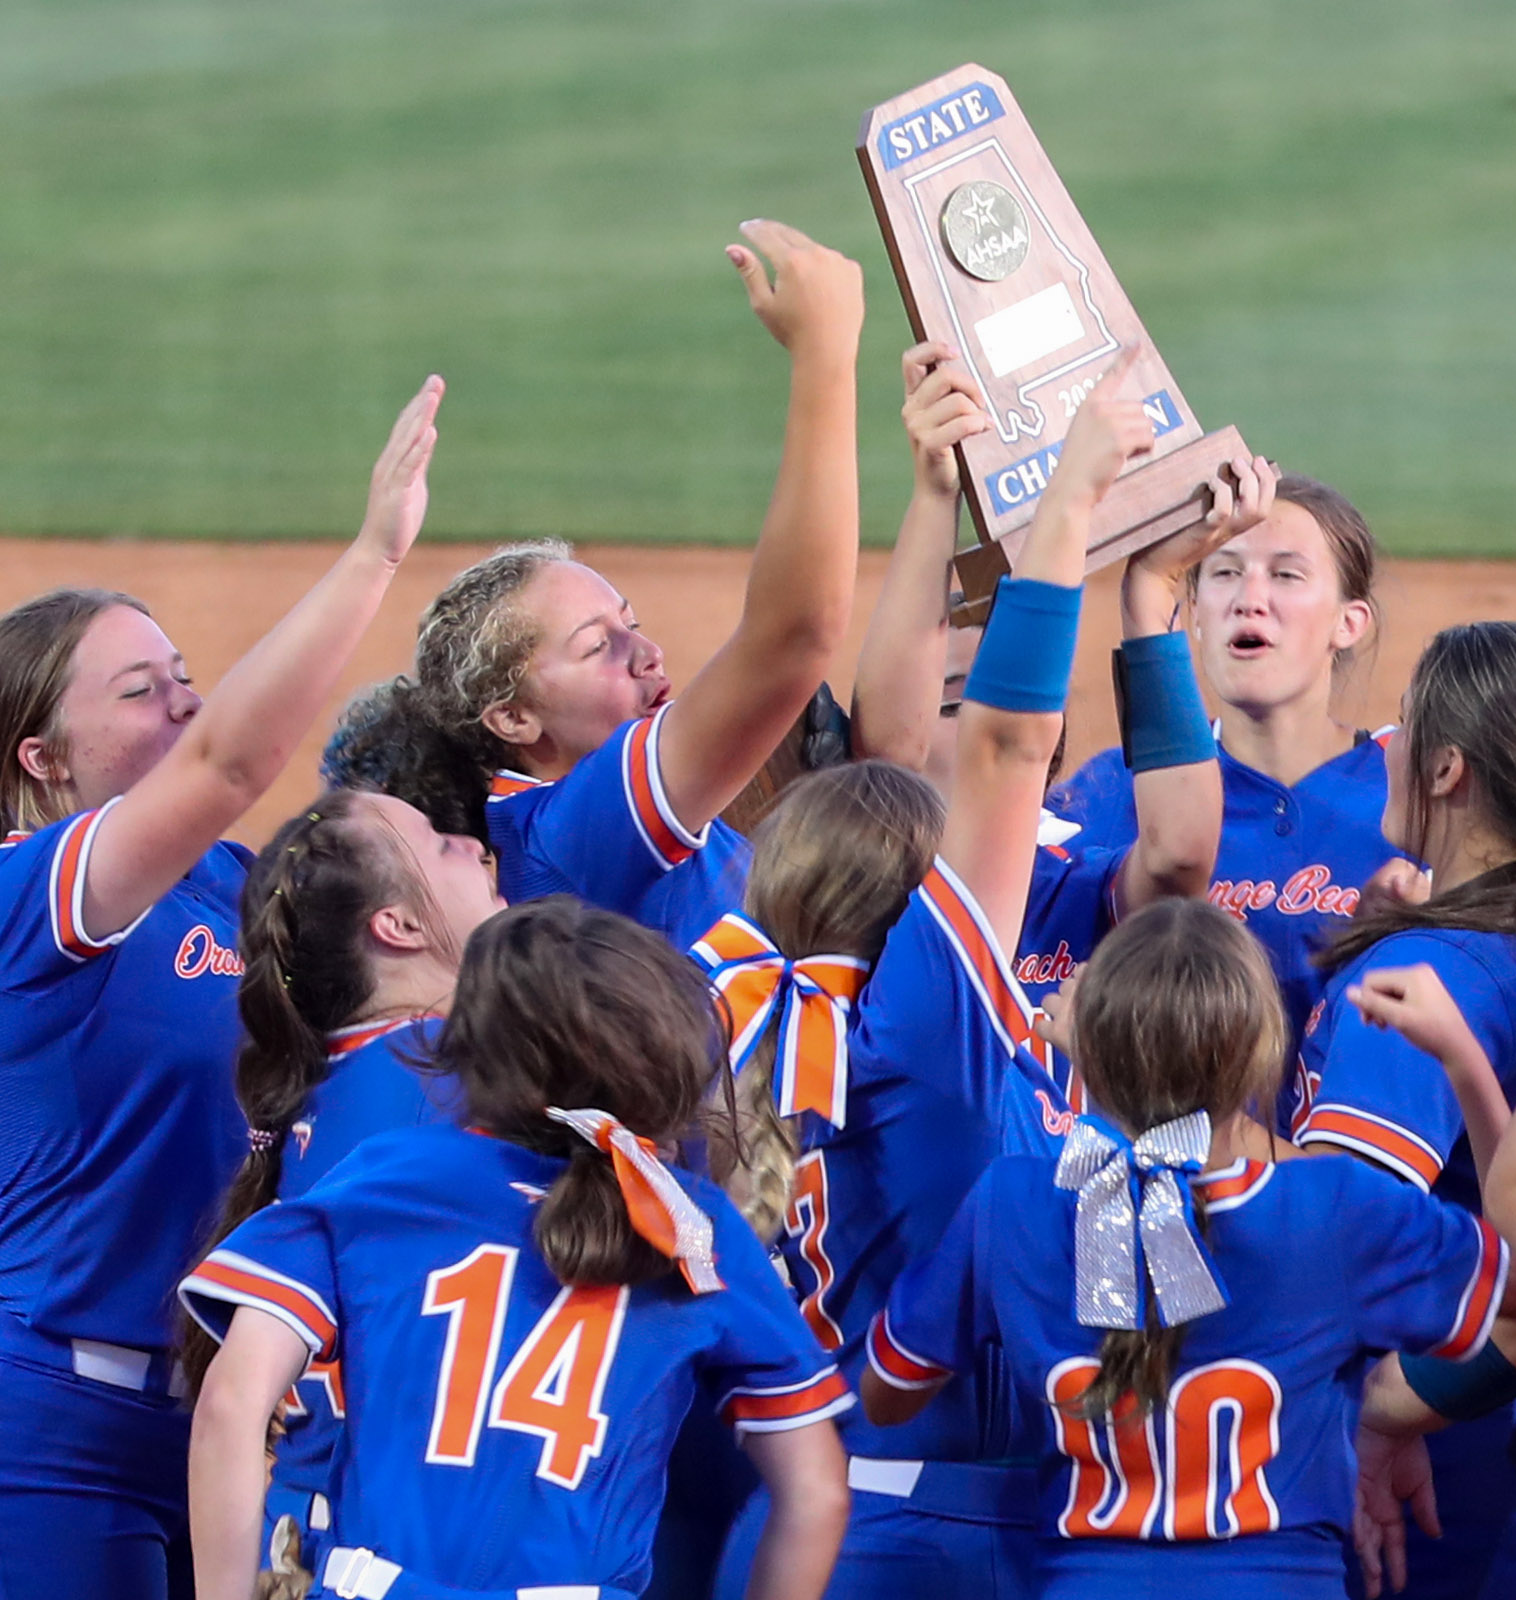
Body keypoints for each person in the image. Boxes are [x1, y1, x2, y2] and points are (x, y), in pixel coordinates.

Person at [707, 347, 1210, 1600]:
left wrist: (938, 493)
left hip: (827, 1520)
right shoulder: (921, 1033)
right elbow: (1000, 744)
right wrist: (1072, 501)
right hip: (943, 1539)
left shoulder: (779, 1017)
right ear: (919, 904)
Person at [0, 377, 444, 1600]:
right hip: (45, 1431)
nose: (187, 701)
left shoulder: (234, 887)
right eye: (140, 693)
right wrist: (373, 554)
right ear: (42, 759)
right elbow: (233, 755)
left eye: (183, 672)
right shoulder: (32, 901)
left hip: (224, 1420)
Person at [180, 896, 852, 1600]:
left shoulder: (389, 1178)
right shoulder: (694, 1225)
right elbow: (815, 1492)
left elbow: (232, 1401)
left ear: (465, 1046)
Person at [861, 896, 1511, 1600]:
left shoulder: (1012, 1202)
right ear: (1262, 1054)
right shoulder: (1335, 1209)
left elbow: (889, 1394)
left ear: (1093, 1056)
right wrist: (1465, 1061)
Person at [323, 220, 864, 950]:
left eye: (630, 622)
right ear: (513, 720)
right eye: (596, 645)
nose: (644, 652)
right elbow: (795, 636)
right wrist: (823, 355)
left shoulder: (581, 824)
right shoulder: (568, 836)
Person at [847, 341, 1273, 1019]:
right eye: (958, 700)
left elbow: (1180, 855)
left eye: (1009, 691)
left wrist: (1154, 589)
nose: (994, 715)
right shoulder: (863, 878)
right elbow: (893, 749)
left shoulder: (1067, 875)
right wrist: (936, 489)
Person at [1293, 620, 1516, 1597]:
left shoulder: (1424, 979)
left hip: (1415, 1484)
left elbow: (1328, 1238)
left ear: (1447, 769)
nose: (1384, 745)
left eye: (1403, 727)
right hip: (1508, 1440)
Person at [175, 786, 505, 1586]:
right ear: (397, 926)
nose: (474, 845)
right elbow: (230, 1405)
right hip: (391, 1552)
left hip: (321, 1537)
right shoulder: (444, 1076)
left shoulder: (355, 1080)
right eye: (437, 842)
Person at [1044, 470, 1388, 1058]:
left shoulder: (1411, 795)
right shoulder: (1112, 794)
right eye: (1225, 572)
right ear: (1194, 613)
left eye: (1286, 575)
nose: (1249, 598)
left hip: (1350, 1148)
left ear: (1348, 622)